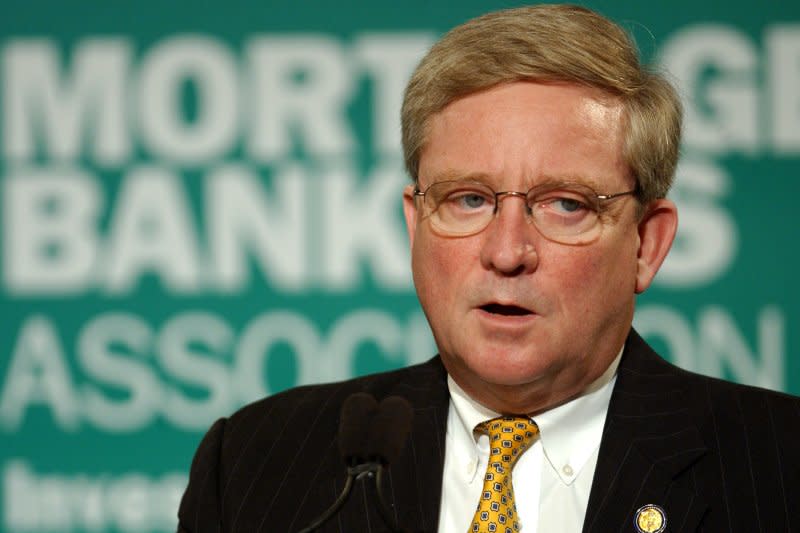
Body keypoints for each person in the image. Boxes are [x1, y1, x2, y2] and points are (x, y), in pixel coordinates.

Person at [177, 5, 800, 532]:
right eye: (468, 199)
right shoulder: (255, 466)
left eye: (565, 205)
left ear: (646, 244)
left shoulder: (778, 465)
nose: (507, 253)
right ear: (416, 224)